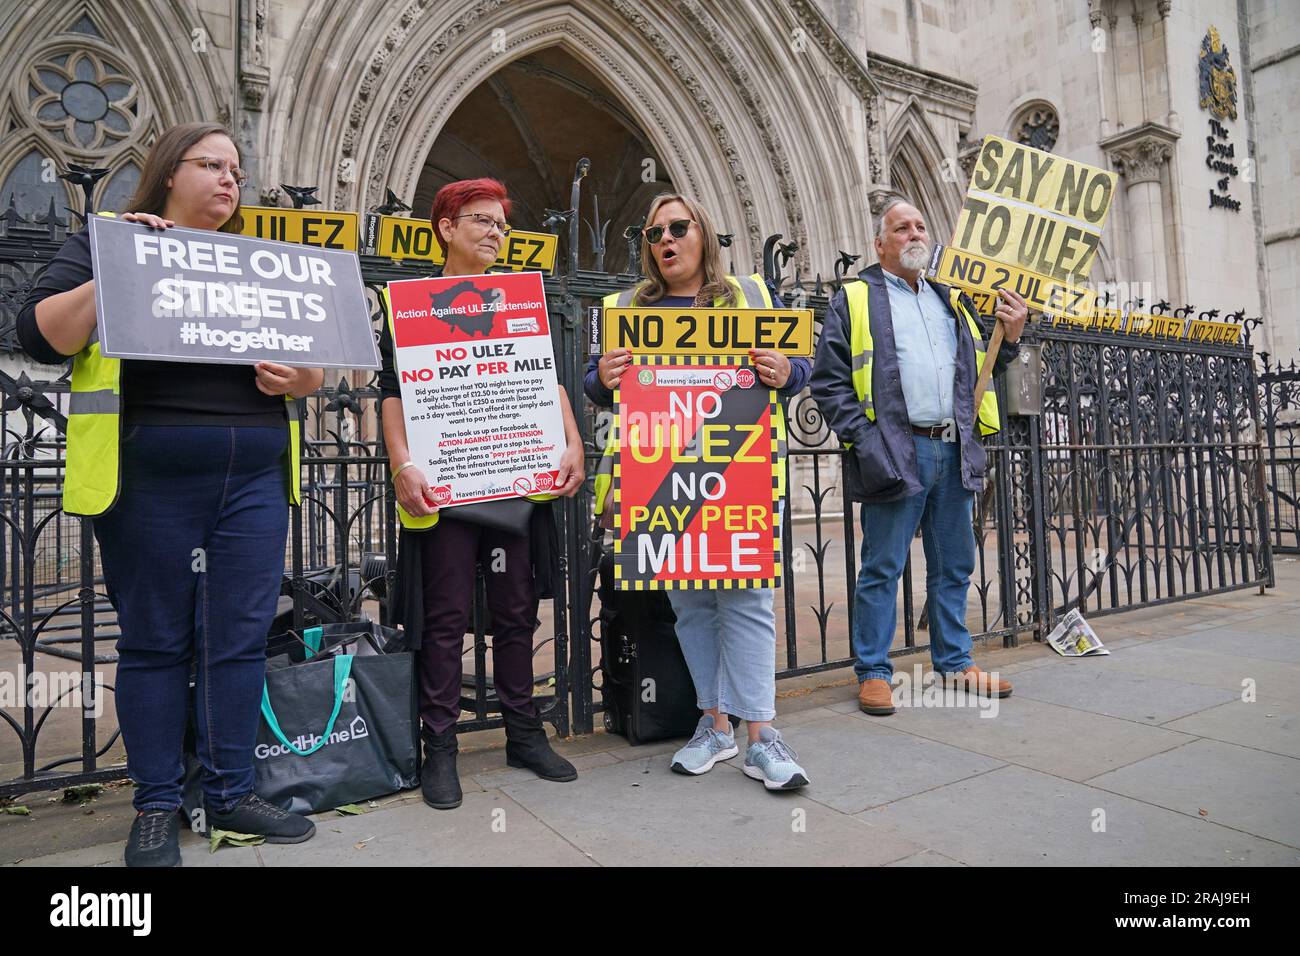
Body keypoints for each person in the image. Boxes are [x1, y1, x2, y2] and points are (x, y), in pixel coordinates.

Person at [17, 122, 323, 866]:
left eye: (238, 171)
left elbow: (312, 363)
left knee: (238, 640)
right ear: (167, 172)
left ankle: (230, 793)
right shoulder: (108, 238)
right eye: (212, 165)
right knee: (155, 644)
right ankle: (156, 805)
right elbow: (39, 334)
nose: (230, 180)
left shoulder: (259, 263)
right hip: (148, 478)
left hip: (252, 478)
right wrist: (121, 265)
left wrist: (304, 378)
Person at [586, 192, 811, 791]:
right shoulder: (627, 307)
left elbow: (800, 365)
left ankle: (763, 736)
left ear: (703, 235)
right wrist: (601, 377)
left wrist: (788, 373)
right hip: (658, 477)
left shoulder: (752, 296)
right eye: (653, 231)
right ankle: (715, 724)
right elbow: (595, 380)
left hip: (740, 471)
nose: (666, 239)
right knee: (689, 606)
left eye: (678, 227)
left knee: (746, 600)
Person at [377, 178, 584, 811]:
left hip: (513, 478)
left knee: (517, 609)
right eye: (481, 221)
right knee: (443, 618)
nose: (495, 232)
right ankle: (439, 747)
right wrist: (402, 461)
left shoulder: (520, 300)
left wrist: (573, 441)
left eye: (501, 223)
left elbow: (542, 380)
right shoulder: (409, 304)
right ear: (445, 227)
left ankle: (523, 732)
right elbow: (392, 394)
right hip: (445, 484)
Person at [810, 197, 1028, 716]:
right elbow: (828, 382)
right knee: (882, 566)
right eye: (901, 227)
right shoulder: (857, 298)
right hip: (895, 448)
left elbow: (984, 367)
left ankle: (955, 662)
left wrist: (1012, 338)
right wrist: (865, 442)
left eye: (920, 226)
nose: (914, 234)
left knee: (955, 562)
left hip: (953, 446)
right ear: (880, 243)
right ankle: (873, 671)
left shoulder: (950, 300)